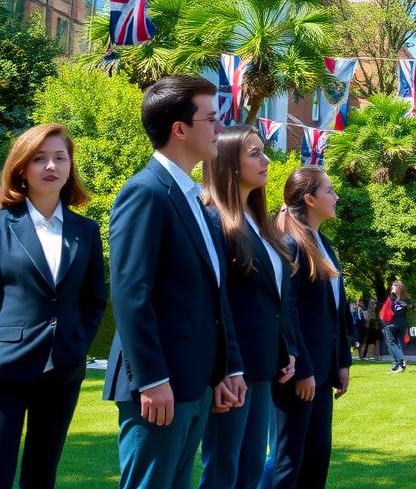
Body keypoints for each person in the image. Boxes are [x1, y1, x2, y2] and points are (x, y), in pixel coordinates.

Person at [104, 76, 245, 489]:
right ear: (179, 129)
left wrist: (225, 368)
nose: (220, 127)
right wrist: (151, 379)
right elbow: (131, 294)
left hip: (194, 382)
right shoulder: (145, 193)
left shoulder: (195, 200)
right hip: (159, 387)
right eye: (212, 118)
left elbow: (213, 297)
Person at [0, 123, 106, 489]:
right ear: (22, 168)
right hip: (5, 368)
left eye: (60, 158)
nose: (51, 166)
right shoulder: (1, 225)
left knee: (42, 474)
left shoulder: (86, 230)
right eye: (40, 158)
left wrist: (78, 343)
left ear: (69, 167)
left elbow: (95, 299)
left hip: (62, 369)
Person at [200, 126, 299, 489]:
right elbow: (218, 300)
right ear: (228, 162)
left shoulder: (261, 225)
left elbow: (275, 298)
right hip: (231, 370)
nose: (266, 159)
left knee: (252, 468)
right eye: (254, 153)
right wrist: (227, 367)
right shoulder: (213, 220)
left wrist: (285, 349)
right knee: (223, 470)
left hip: (262, 366)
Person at [263, 167, 352, 489]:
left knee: (317, 455)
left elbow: (335, 311)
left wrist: (342, 362)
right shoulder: (289, 243)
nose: (336, 197)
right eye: (330, 191)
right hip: (298, 373)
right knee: (289, 459)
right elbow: (287, 312)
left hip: (323, 372)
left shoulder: (323, 243)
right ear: (310, 198)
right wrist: (302, 368)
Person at [380, 281, 410, 373]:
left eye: (393, 287)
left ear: (396, 288)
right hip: (402, 323)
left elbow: (386, 311)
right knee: (397, 343)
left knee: (391, 343)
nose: (391, 289)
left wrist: (384, 322)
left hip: (392, 323)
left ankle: (401, 362)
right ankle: (397, 365)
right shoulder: (407, 299)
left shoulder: (392, 298)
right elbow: (409, 307)